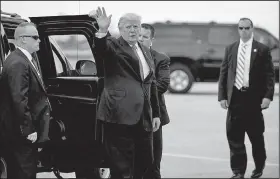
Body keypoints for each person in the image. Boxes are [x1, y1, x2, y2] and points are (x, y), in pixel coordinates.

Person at [89, 7, 161, 179]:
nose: (132, 30)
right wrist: (102, 30)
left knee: (145, 161)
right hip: (119, 114)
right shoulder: (113, 45)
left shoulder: (145, 51)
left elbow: (150, 83)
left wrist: (156, 113)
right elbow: (100, 50)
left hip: (143, 116)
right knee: (121, 166)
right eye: (128, 27)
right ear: (120, 29)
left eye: (136, 26)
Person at [218, 17, 275, 179]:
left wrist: (267, 97)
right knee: (234, 137)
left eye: (247, 28)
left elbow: (269, 75)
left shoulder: (262, 50)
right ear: (238, 30)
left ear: (252, 29)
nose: (244, 31)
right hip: (235, 98)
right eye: (241, 28)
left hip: (253, 99)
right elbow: (224, 73)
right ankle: (238, 171)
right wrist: (222, 96)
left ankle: (258, 167)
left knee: (256, 136)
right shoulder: (231, 49)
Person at [0, 22, 51, 179]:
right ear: (22, 39)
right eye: (35, 37)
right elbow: (19, 99)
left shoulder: (21, 59)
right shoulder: (18, 63)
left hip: (19, 131)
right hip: (21, 133)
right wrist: (28, 130)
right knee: (25, 172)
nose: (39, 40)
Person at [139, 23, 170, 179]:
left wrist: (137, 92)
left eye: (145, 37)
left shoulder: (161, 58)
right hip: (129, 115)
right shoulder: (125, 56)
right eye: (138, 35)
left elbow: (163, 84)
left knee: (153, 162)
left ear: (151, 39)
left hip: (153, 115)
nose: (141, 39)